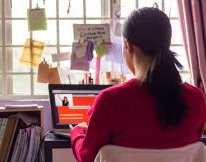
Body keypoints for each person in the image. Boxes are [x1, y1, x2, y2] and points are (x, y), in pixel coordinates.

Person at [70, 7, 206, 162]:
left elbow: (87, 157)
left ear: (128, 45)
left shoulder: (109, 100)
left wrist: (77, 132)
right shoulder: (195, 98)